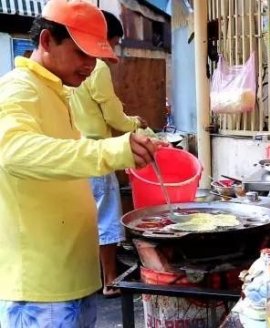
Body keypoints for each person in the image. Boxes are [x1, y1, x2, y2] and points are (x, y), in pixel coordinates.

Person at [0, 0, 160, 326]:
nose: (90, 66)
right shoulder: (19, 89)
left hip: (69, 279)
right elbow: (13, 151)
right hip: (41, 289)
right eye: (81, 54)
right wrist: (111, 151)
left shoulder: (57, 91)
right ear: (46, 41)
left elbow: (62, 153)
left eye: (95, 57)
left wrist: (124, 148)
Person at [69, 10, 146, 298]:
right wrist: (136, 124)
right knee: (107, 220)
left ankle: (91, 278)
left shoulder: (66, 70)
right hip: (97, 154)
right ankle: (111, 281)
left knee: (87, 220)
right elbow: (113, 115)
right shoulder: (96, 66)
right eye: (113, 42)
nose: (111, 50)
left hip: (75, 152)